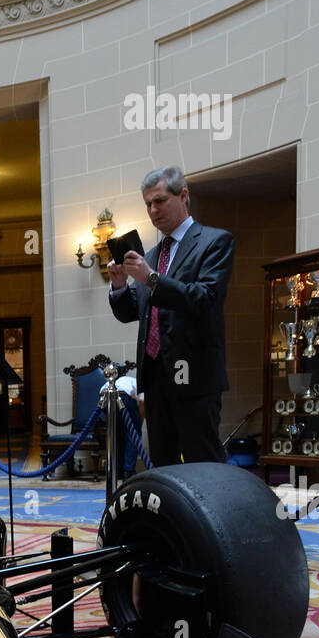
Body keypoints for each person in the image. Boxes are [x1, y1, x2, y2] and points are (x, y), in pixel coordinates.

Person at [107, 166, 234, 467]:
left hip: (193, 375)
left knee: (202, 464)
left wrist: (151, 279)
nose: (153, 210)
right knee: (163, 466)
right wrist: (119, 285)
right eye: (148, 204)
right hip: (155, 380)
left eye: (160, 201)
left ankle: (209, 516)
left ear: (184, 196)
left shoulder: (214, 241)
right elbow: (133, 313)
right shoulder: (150, 256)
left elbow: (206, 299)